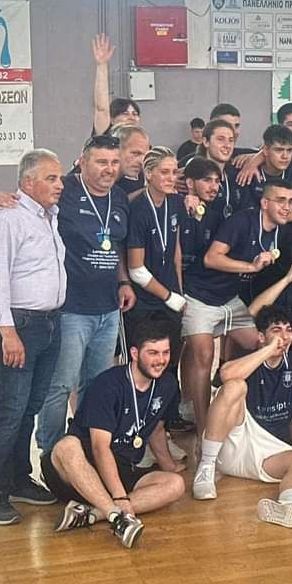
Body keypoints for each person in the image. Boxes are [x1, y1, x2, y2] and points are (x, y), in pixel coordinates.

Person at [0, 150, 67, 525]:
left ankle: (17, 478)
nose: (59, 184)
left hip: (48, 324)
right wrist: (7, 333)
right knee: (9, 410)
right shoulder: (5, 218)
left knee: (29, 407)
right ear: (27, 183)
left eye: (60, 178)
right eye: (51, 178)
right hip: (19, 328)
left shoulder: (48, 216)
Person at [29, 136, 134, 455]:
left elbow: (116, 245)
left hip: (109, 308)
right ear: (83, 162)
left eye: (114, 162)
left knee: (98, 384)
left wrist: (124, 281)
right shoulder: (66, 190)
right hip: (71, 309)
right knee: (61, 384)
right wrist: (1, 199)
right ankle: (50, 452)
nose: (109, 169)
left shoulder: (120, 197)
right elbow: (29, 194)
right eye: (101, 162)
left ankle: (87, 446)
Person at [44, 323, 185, 549]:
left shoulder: (167, 385)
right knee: (66, 446)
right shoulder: (108, 384)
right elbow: (100, 448)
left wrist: (170, 466)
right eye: (153, 353)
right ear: (135, 353)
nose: (160, 360)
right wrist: (120, 497)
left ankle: (92, 514)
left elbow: (156, 429)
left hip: (122, 468)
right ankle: (118, 517)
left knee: (175, 484)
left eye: (165, 353)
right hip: (79, 468)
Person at [184, 178, 292, 433]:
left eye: (290, 202)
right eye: (281, 201)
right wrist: (250, 267)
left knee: (262, 343)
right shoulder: (242, 221)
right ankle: (204, 430)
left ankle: (244, 410)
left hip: (230, 300)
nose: (287, 207)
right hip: (200, 296)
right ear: (264, 203)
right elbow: (211, 258)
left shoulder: (279, 227)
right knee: (204, 354)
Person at [191, 306, 292, 528]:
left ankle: (285, 506)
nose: (284, 336)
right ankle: (206, 467)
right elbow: (226, 374)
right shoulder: (248, 358)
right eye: (276, 330)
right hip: (236, 442)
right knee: (234, 387)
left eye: (288, 330)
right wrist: (268, 350)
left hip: (269, 451)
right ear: (261, 336)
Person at [125, 147, 187, 432]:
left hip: (171, 299)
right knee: (145, 363)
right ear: (148, 174)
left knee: (170, 361)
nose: (171, 177)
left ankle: (168, 418)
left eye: (174, 172)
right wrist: (168, 296)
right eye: (164, 172)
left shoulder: (175, 203)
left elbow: (175, 251)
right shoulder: (137, 209)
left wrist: (179, 292)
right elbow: (136, 269)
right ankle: (140, 423)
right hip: (146, 303)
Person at [91, 33, 141, 136]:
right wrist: (102, 65)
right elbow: (101, 108)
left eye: (135, 114)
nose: (131, 118)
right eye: (125, 113)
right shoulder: (106, 137)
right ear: (112, 119)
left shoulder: (142, 140)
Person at [198, 118, 244, 219]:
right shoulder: (193, 175)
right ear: (206, 142)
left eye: (231, 140)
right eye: (220, 139)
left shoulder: (238, 176)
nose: (227, 145)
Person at [114, 125, 151, 196]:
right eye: (136, 154)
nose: (141, 162)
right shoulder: (94, 181)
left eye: (145, 155)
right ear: (116, 150)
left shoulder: (139, 181)